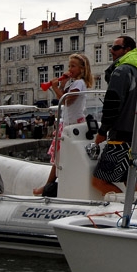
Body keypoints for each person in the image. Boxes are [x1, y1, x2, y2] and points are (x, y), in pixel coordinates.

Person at [33, 53, 93, 196]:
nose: (69, 69)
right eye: (69, 66)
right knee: (59, 156)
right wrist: (62, 84)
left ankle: (48, 185)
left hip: (71, 124)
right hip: (68, 123)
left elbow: (66, 100)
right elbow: (64, 96)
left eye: (73, 66)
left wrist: (54, 88)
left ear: (82, 69)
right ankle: (50, 185)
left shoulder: (79, 83)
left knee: (59, 156)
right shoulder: (74, 83)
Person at [91, 36, 137, 195]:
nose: (111, 51)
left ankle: (127, 210)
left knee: (98, 181)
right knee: (130, 178)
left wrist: (102, 131)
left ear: (127, 50)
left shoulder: (121, 71)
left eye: (115, 48)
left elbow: (112, 104)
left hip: (120, 137)